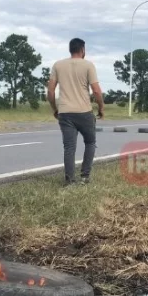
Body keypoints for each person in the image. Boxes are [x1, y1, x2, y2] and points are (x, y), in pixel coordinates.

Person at [47, 38, 104, 186]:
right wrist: (101, 108)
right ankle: (85, 177)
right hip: (84, 112)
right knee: (90, 142)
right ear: (83, 49)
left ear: (70, 49)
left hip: (65, 113)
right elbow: (97, 91)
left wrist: (55, 109)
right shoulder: (88, 65)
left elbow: (51, 91)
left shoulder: (58, 65)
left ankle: (70, 180)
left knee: (69, 147)